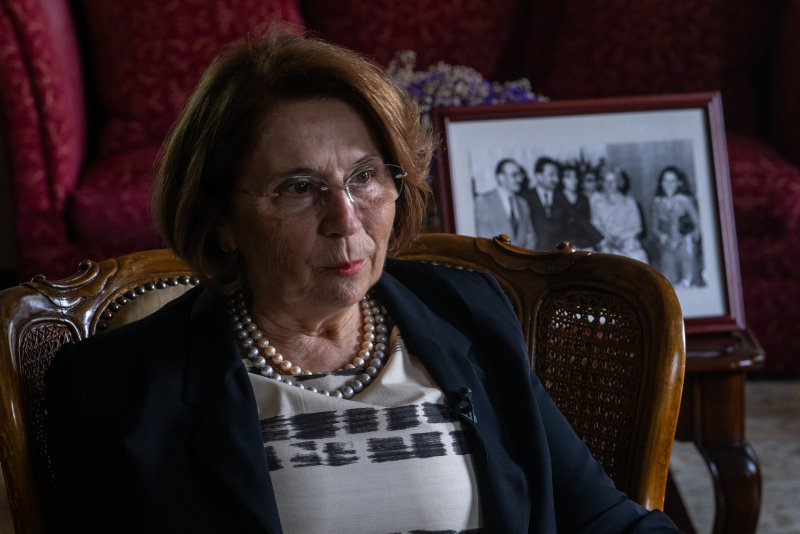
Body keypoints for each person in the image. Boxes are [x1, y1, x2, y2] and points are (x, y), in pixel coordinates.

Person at [45, 30, 681, 533]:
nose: (345, 220)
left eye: (364, 177)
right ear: (222, 221)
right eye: (299, 187)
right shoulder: (119, 386)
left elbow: (603, 519)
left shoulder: (468, 311)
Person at [651, 165, 702, 287]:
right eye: (665, 180)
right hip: (667, 247)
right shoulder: (657, 202)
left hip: (685, 246)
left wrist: (688, 239)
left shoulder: (685, 200)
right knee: (668, 284)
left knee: (688, 282)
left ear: (679, 183)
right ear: (661, 182)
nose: (668, 184)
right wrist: (662, 237)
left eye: (672, 181)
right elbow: (654, 228)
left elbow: (698, 225)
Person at [590, 165, 650, 263]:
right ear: (602, 182)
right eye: (606, 181)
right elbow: (595, 224)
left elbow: (637, 227)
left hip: (628, 243)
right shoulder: (597, 203)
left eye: (613, 181)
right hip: (607, 245)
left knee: (637, 260)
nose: (609, 184)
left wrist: (622, 239)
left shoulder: (629, 202)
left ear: (619, 182)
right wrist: (608, 240)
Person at [474, 157, 537, 248]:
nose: (519, 179)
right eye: (514, 175)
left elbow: (531, 236)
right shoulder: (483, 202)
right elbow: (483, 237)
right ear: (501, 178)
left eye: (520, 174)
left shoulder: (523, 203)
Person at [551, 162, 603, 250]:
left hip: (584, 243)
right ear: (561, 179)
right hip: (564, 244)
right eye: (569, 177)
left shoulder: (583, 199)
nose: (573, 180)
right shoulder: (556, 198)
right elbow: (558, 227)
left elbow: (586, 223)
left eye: (575, 177)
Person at [522, 155, 562, 249]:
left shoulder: (561, 197)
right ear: (539, 176)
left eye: (557, 175)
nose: (556, 179)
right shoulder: (525, 198)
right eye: (551, 175)